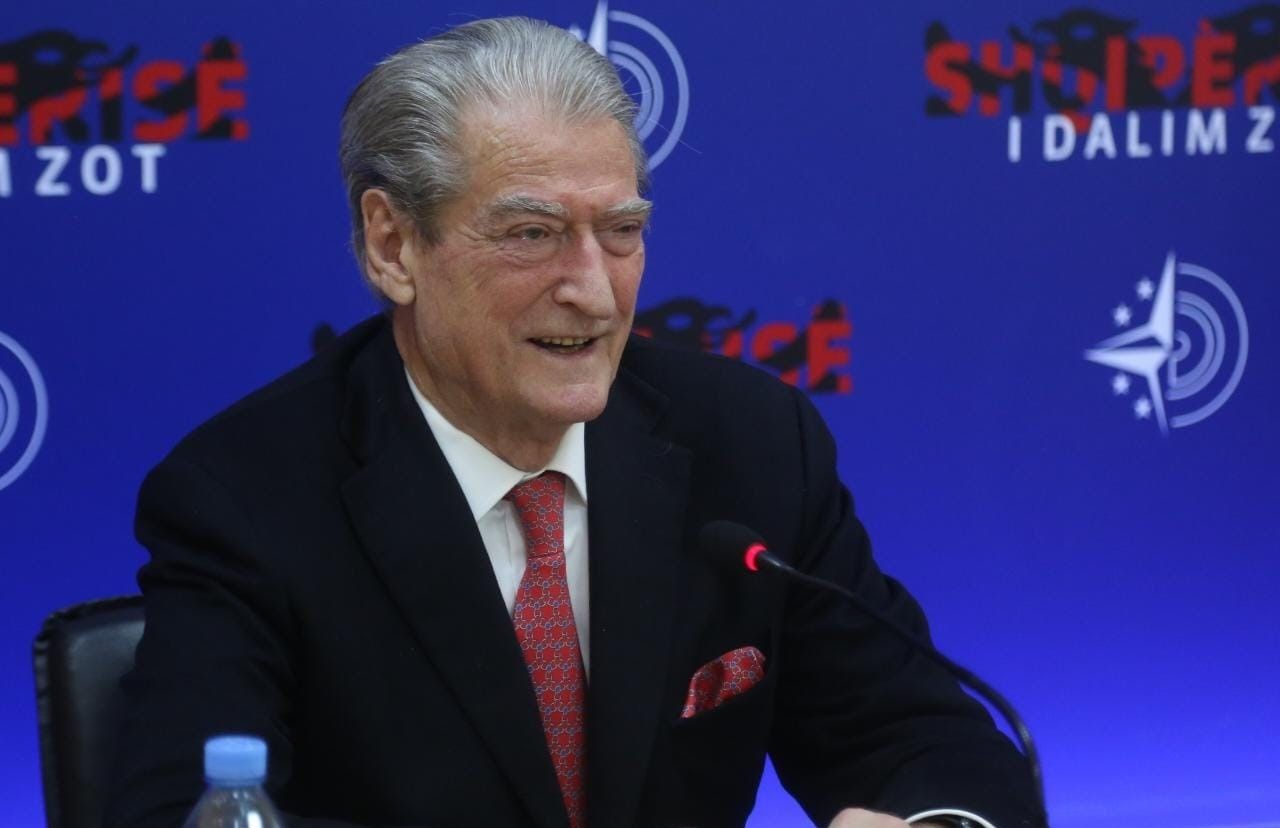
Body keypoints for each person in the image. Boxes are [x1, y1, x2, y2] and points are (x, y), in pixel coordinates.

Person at [106, 17, 1041, 828]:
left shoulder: (751, 443)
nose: (594, 291)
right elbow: (183, 815)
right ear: (393, 246)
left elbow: (924, 739)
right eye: (532, 234)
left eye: (622, 231)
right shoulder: (245, 498)